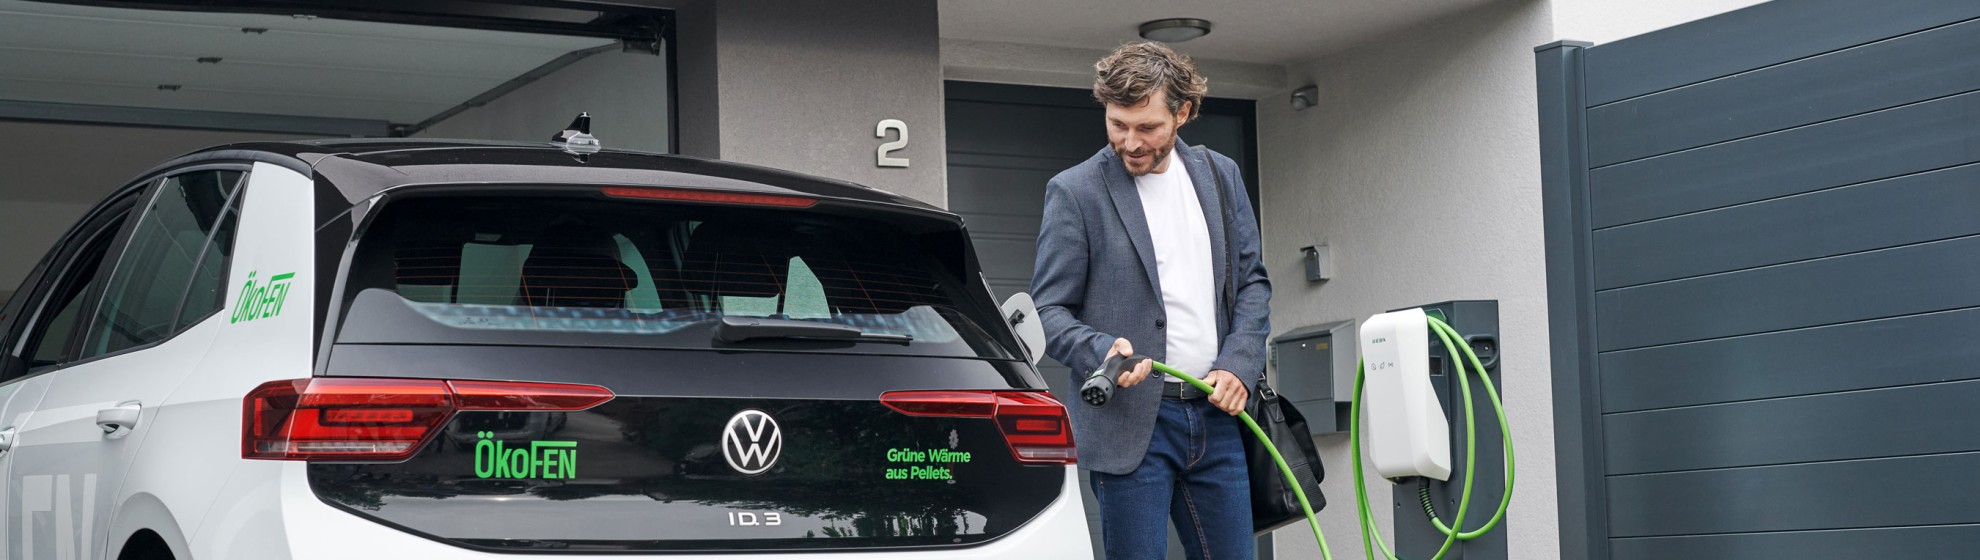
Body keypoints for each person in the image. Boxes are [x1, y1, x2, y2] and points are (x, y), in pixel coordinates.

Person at [1032, 41, 1272, 560]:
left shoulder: (1220, 176)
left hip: (1217, 419)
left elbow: (1252, 283)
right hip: (1130, 425)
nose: (1130, 142)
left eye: (1147, 127)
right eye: (1118, 124)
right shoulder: (1075, 192)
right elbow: (1047, 313)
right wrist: (1103, 350)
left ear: (1183, 113)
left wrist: (1239, 364)